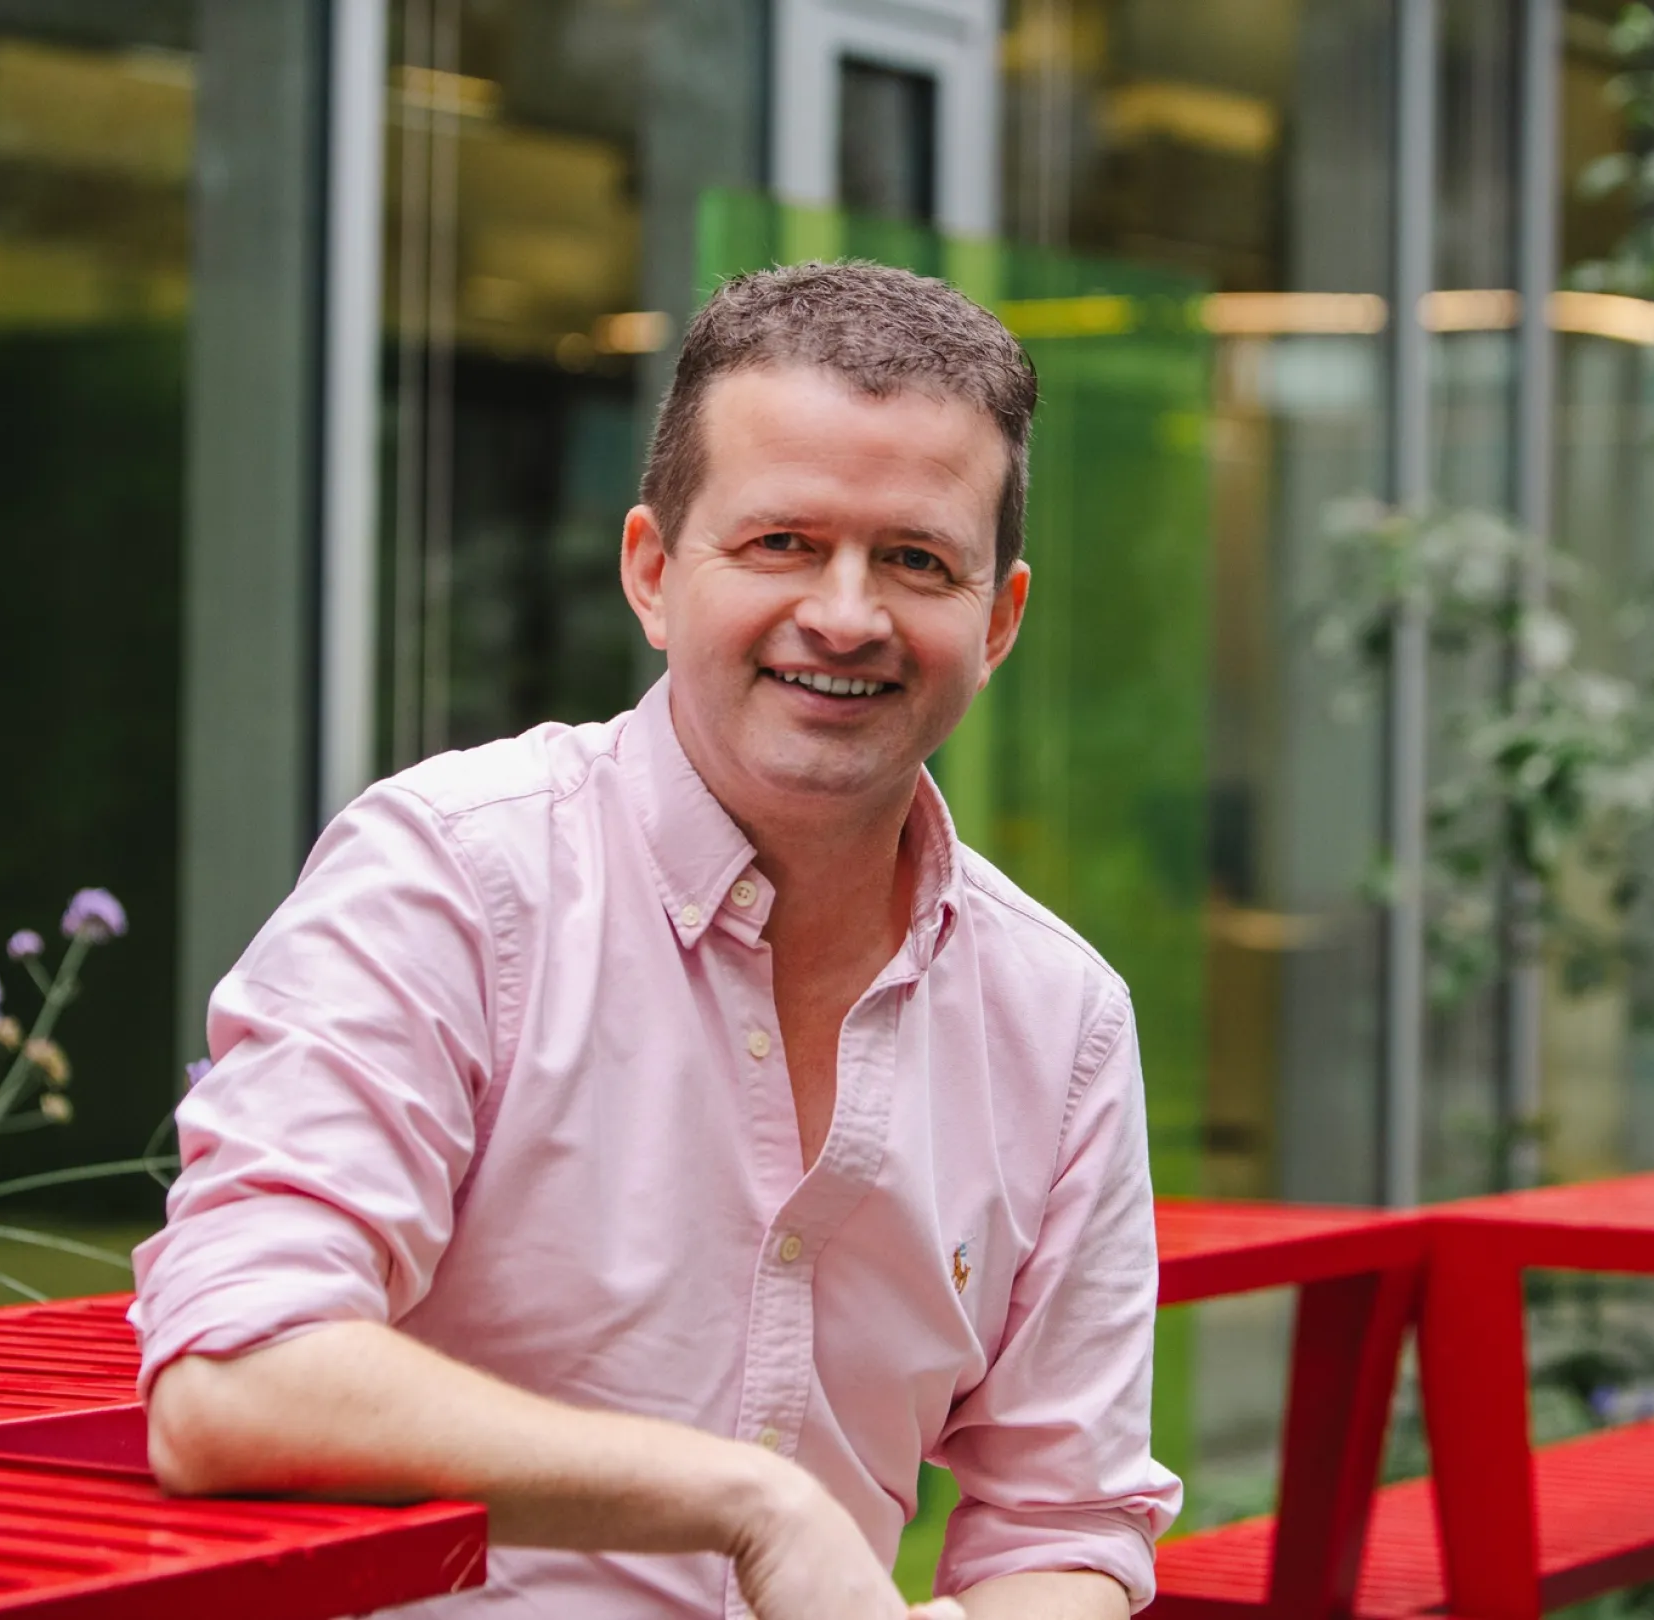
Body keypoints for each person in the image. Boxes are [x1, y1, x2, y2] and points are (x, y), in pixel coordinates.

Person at [133, 260, 1182, 1619]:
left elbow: (1070, 1517)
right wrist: (747, 1502)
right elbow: (235, 1378)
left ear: (997, 622)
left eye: (915, 560)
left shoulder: (1060, 1016)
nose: (848, 615)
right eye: (781, 544)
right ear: (651, 573)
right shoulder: (451, 879)